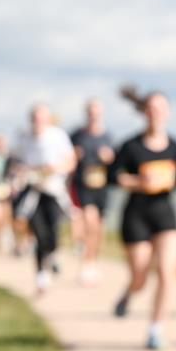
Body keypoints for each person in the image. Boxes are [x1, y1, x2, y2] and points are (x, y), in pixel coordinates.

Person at [112, 88, 176, 350]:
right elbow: (114, 177)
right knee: (141, 276)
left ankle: (156, 329)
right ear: (144, 112)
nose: (156, 113)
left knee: (168, 272)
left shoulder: (175, 146)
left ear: (167, 113)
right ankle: (128, 293)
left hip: (165, 214)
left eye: (161, 108)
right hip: (136, 215)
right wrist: (138, 182)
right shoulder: (130, 146)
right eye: (151, 108)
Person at [12, 104, 76, 295]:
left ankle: (52, 254)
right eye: (35, 119)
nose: (37, 123)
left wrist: (54, 168)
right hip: (33, 190)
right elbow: (16, 161)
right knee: (38, 232)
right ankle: (41, 274)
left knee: (53, 229)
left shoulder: (58, 136)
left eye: (41, 119)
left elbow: (70, 161)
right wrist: (25, 171)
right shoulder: (24, 138)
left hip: (54, 191)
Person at [70, 99, 115, 285]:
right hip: (82, 186)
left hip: (101, 187)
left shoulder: (108, 137)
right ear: (86, 113)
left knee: (98, 228)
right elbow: (66, 158)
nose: (93, 115)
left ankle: (93, 260)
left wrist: (109, 158)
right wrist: (75, 155)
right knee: (90, 222)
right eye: (91, 111)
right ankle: (87, 265)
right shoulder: (76, 135)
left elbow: (116, 163)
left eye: (97, 111)